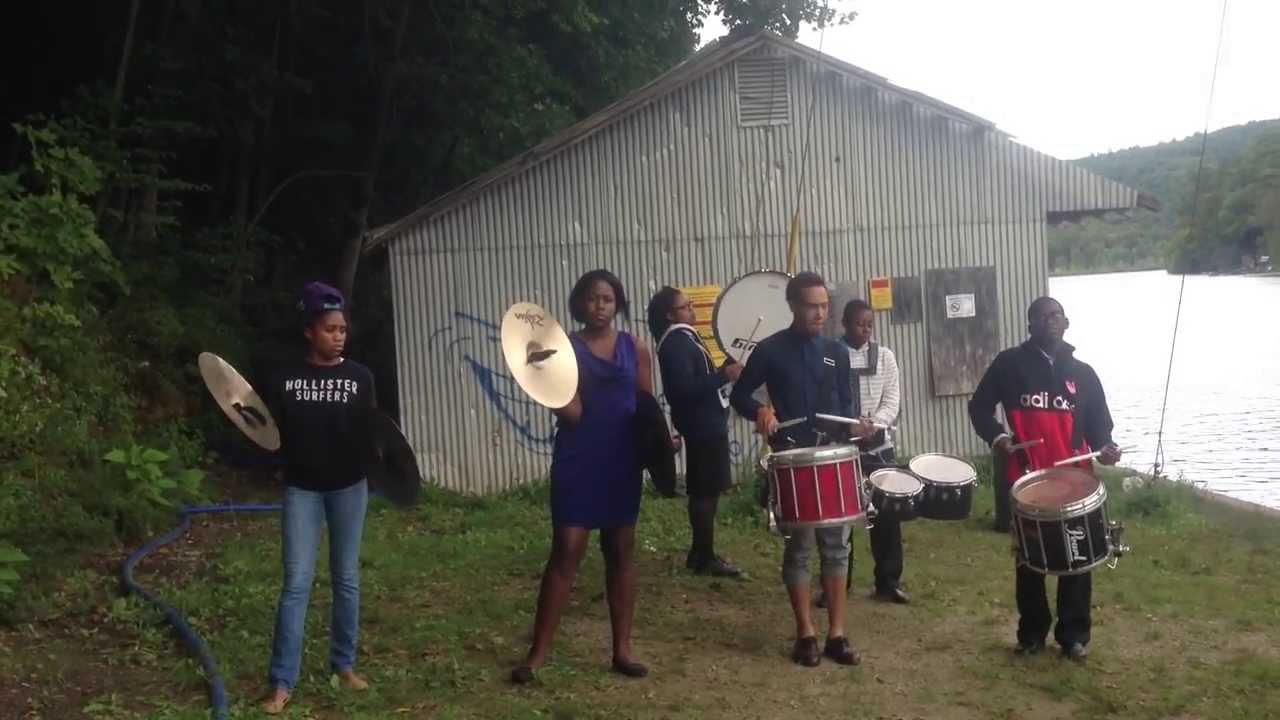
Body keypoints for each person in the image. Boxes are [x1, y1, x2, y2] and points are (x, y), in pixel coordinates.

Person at [512, 269, 654, 684]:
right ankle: (537, 654)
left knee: (621, 550)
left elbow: (646, 408)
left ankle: (622, 650)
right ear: (579, 303)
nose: (600, 306)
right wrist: (543, 386)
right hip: (579, 457)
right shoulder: (563, 349)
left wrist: (663, 444)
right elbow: (573, 412)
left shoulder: (636, 348)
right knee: (566, 549)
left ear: (618, 304)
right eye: (592, 299)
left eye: (608, 299)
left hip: (622, 460)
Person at [967, 296, 1121, 661]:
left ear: (1066, 323)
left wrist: (1107, 448)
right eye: (1041, 316)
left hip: (1074, 481)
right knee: (1030, 560)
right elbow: (979, 407)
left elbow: (1100, 429)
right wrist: (998, 436)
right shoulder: (1009, 364)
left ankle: (1074, 635)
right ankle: (1032, 633)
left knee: (1077, 558)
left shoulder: (1083, 374)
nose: (1049, 321)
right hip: (1027, 479)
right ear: (1030, 325)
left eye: (1056, 315)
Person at [729, 272, 862, 668]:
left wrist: (857, 426)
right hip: (792, 459)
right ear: (792, 305)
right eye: (811, 305)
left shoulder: (836, 352)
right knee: (800, 547)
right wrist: (760, 410)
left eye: (824, 305)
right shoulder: (770, 350)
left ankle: (836, 635)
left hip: (831, 456)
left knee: (838, 547)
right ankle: (806, 633)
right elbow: (740, 393)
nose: (820, 312)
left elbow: (846, 407)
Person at [261, 281, 376, 714]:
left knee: (346, 578)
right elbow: (268, 434)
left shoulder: (360, 378)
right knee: (296, 583)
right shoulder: (285, 378)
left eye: (343, 329)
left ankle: (344, 665)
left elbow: (372, 435)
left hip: (349, 488)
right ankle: (281, 682)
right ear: (310, 330)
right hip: (302, 491)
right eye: (330, 329)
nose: (339, 335)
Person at [647, 287, 743, 577]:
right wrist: (723, 376)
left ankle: (702, 552)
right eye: (686, 306)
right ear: (670, 314)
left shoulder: (685, 338)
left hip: (707, 421)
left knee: (708, 489)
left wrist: (722, 369)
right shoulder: (676, 342)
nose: (693, 310)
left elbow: (699, 379)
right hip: (701, 424)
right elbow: (682, 391)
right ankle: (703, 556)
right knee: (704, 491)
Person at [840, 299, 908, 604]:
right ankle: (838, 583)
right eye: (858, 323)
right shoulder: (832, 354)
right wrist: (851, 426)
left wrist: (875, 424)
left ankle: (888, 581)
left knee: (886, 515)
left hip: (879, 445)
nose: (864, 329)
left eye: (869, 324)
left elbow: (892, 398)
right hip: (842, 446)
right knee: (840, 518)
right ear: (844, 323)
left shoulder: (886, 357)